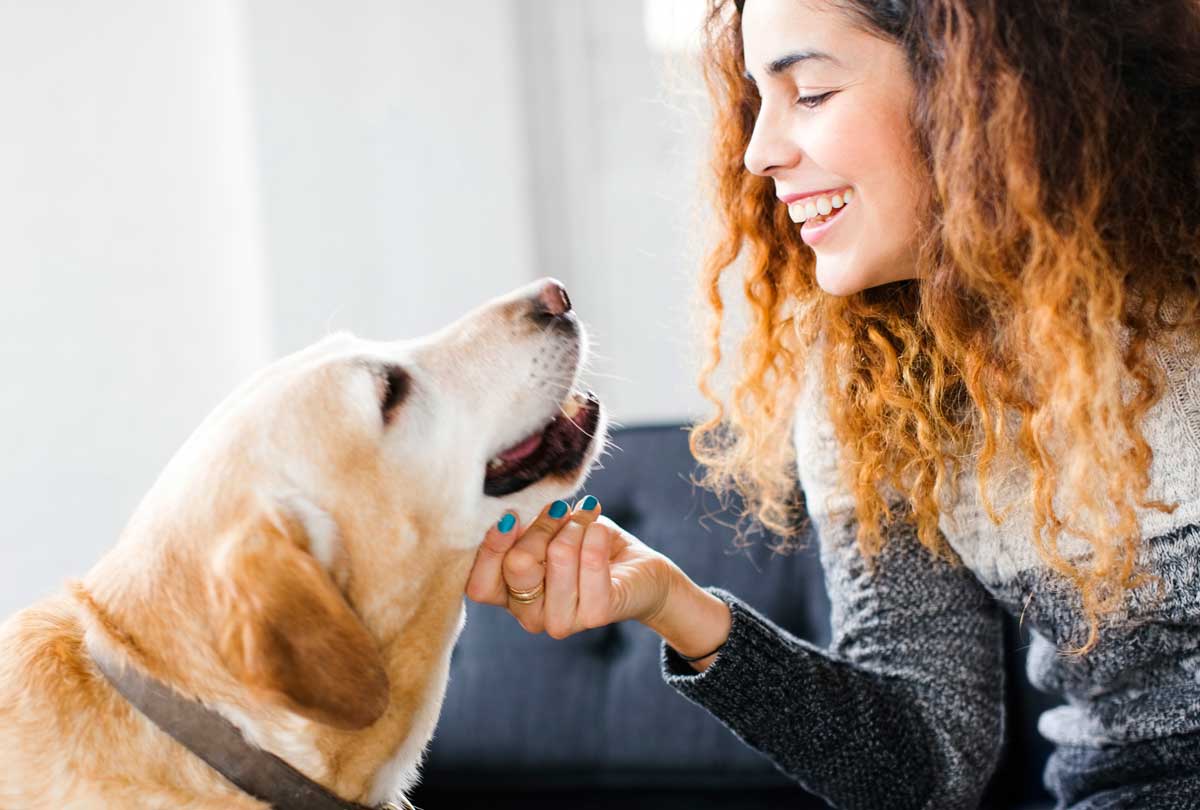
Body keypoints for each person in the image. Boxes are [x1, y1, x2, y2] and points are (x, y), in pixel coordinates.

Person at [465, 1, 1200, 807]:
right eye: (757, 100)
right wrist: (677, 605)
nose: (757, 152)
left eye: (809, 93)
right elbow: (922, 766)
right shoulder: (877, 379)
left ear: (980, 86)